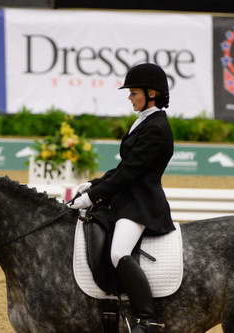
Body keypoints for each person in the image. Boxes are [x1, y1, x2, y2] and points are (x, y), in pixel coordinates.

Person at [68, 63, 175, 333]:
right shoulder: (145, 120)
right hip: (128, 199)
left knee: (119, 252)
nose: (129, 97)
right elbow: (124, 167)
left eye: (134, 92)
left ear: (152, 93)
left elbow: (131, 172)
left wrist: (92, 197)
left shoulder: (157, 127)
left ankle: (148, 319)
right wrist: (93, 184)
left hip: (142, 204)